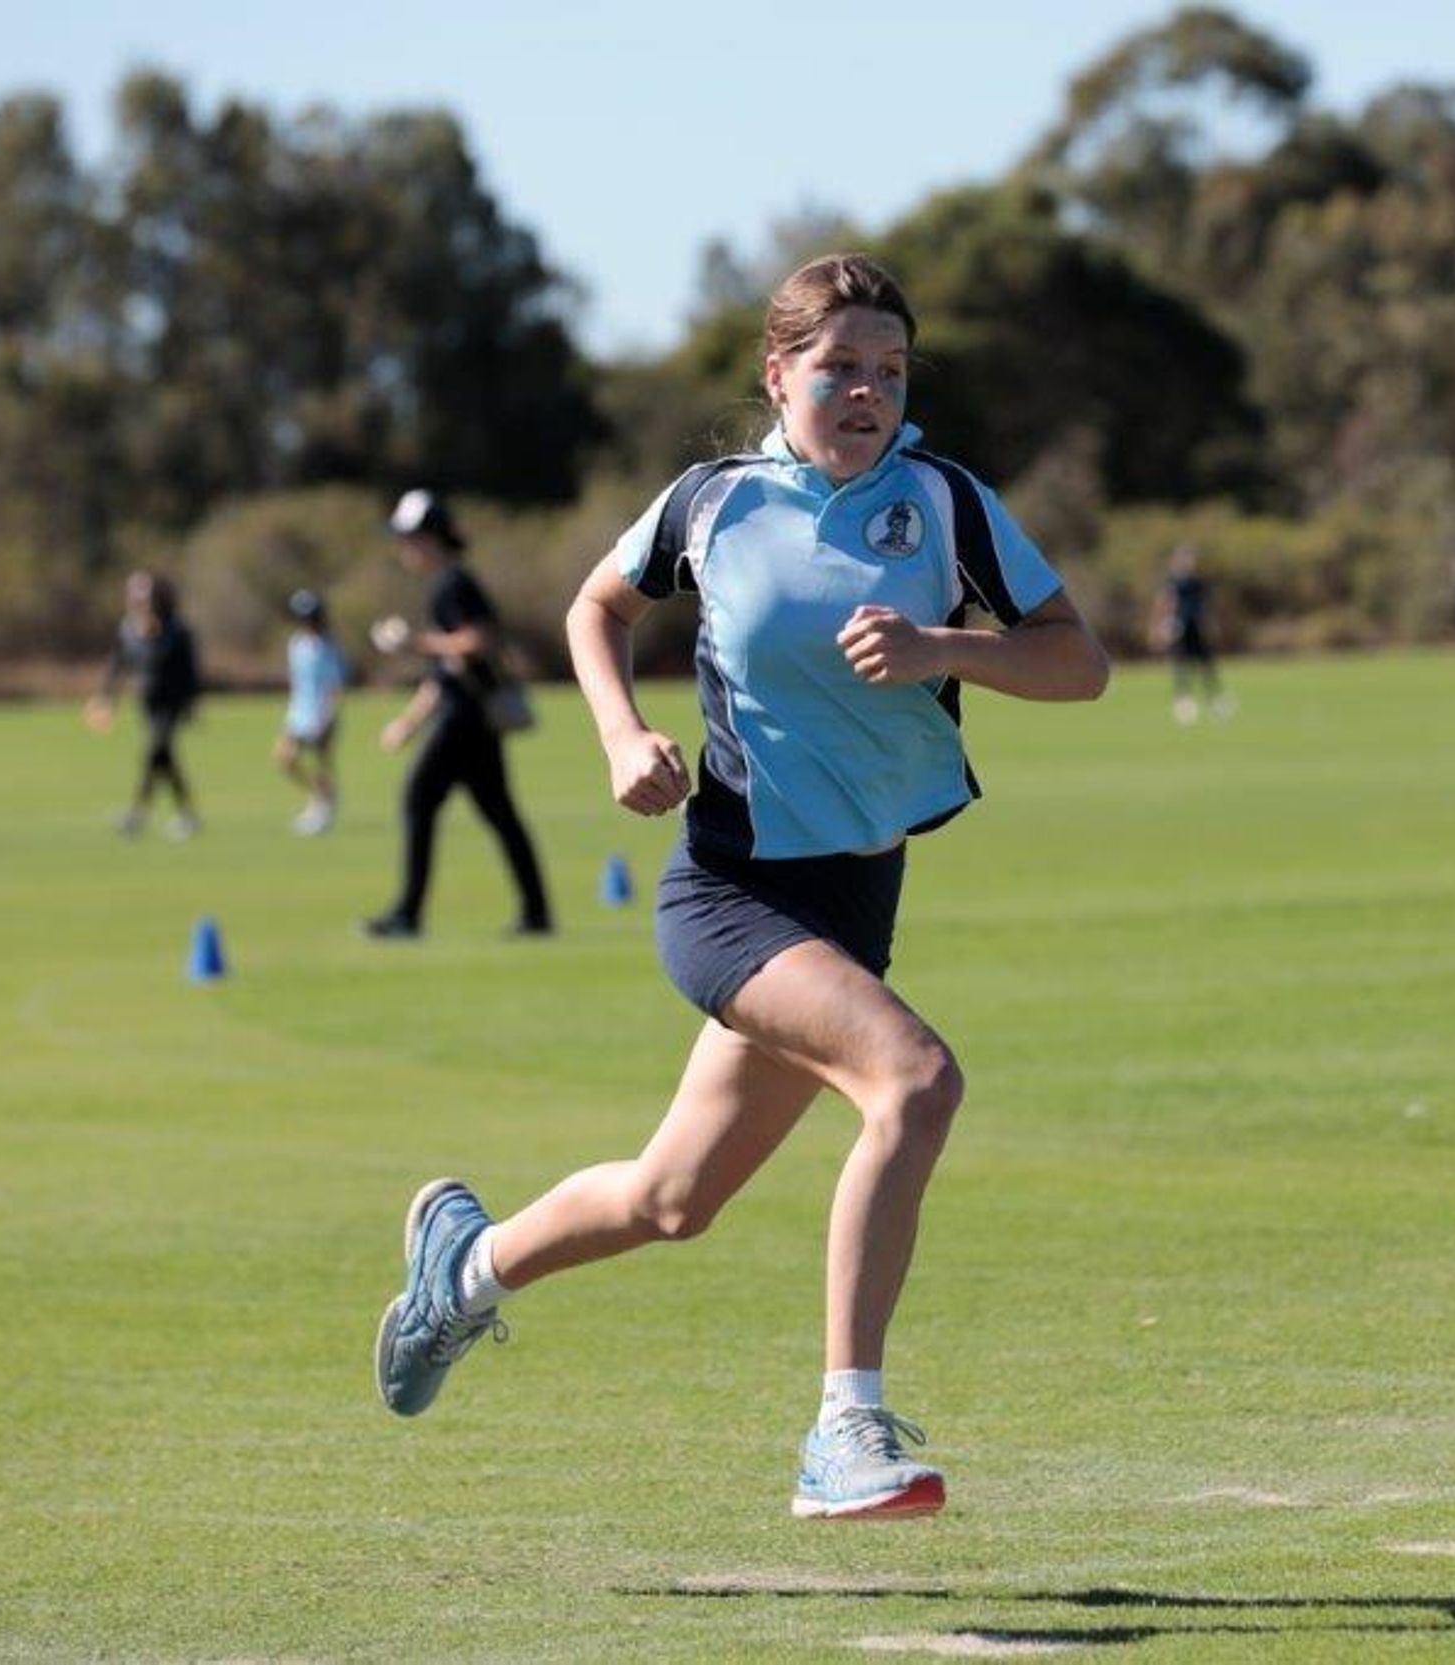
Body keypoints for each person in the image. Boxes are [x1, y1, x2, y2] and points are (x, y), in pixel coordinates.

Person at [370, 254, 1110, 1520]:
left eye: (890, 370)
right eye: (839, 368)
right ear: (777, 376)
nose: (868, 391)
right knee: (916, 1081)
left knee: (670, 1201)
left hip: (852, 908)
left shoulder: (946, 502)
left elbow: (1078, 663)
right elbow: (595, 610)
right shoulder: (711, 503)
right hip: (731, 896)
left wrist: (945, 648)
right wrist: (619, 737)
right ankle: (844, 1429)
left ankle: (465, 1272)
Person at [359, 489, 553, 939]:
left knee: (419, 798)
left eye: (409, 538)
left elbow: (478, 641)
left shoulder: (453, 584)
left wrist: (413, 643)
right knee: (499, 812)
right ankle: (536, 913)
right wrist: (409, 722)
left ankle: (408, 914)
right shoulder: (448, 584)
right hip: (468, 713)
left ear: (432, 537)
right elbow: (447, 671)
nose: (404, 547)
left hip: (466, 716)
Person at [84, 570, 203, 838]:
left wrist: (192, 704)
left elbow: (190, 671)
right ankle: (186, 815)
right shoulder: (128, 629)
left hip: (172, 702)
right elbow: (118, 664)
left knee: (155, 751)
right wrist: (106, 696)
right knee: (163, 757)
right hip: (148, 702)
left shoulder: (176, 630)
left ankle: (139, 813)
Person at [276, 589, 346, 835]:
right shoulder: (296, 643)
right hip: (298, 711)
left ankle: (322, 811)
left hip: (321, 713)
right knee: (285, 758)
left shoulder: (327, 647)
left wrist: (328, 717)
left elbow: (335, 686)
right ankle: (323, 796)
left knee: (321, 764)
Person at [1150, 543, 1229, 723]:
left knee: (1206, 665)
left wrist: (1213, 627)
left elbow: (1207, 607)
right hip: (1178, 629)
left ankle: (1214, 699)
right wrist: (1158, 630)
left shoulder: (1198, 583)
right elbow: (1163, 603)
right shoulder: (1172, 582)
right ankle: (1183, 701)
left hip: (1196, 628)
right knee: (1180, 666)